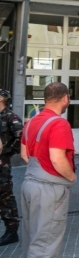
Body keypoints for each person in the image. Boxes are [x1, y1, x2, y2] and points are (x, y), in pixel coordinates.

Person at [19, 82, 74, 258]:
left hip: (30, 183)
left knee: (34, 237)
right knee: (45, 241)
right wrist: (71, 177)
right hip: (49, 189)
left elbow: (25, 154)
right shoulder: (59, 124)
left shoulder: (32, 121)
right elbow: (57, 158)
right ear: (65, 99)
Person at [0, 88, 23, 247]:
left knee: (4, 196)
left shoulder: (10, 117)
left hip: (2, 164)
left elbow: (21, 138)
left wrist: (6, 153)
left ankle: (11, 231)